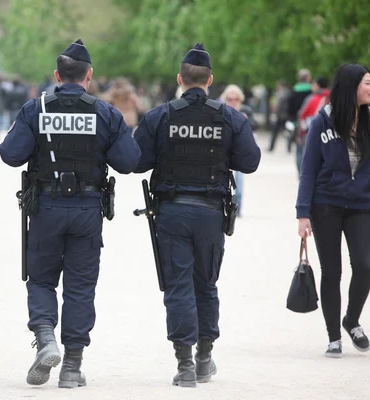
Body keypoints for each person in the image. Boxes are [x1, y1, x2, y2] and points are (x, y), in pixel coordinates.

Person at [0, 39, 141, 389]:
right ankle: (73, 366)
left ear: (57, 75)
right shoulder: (105, 113)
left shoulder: (37, 109)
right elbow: (129, 162)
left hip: (46, 207)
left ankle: (46, 338)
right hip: (87, 209)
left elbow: (10, 154)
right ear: (89, 76)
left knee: (42, 279)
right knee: (80, 286)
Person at [133, 43, 261, 388]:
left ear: (179, 79)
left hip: (172, 212)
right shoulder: (230, 117)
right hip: (209, 214)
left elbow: (136, 161)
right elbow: (250, 161)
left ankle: (184, 363)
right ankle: (204, 357)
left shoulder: (160, 116)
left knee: (177, 287)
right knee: (206, 285)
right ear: (210, 80)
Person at [296, 63, 370, 358]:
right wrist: (303, 213)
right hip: (325, 204)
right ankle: (333, 336)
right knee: (332, 271)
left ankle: (351, 320)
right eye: (367, 83)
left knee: (365, 264)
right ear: (352, 87)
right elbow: (309, 168)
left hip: (362, 204)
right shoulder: (322, 121)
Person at [220, 84, 259, 216]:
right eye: (229, 99)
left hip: (239, 150)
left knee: (239, 181)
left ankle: (237, 207)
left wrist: (245, 121)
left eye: (235, 99)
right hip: (224, 150)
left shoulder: (245, 110)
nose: (232, 102)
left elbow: (255, 124)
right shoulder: (221, 110)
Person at [295, 76, 330, 175]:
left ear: (318, 85)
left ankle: (303, 174)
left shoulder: (312, 98)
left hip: (310, 131)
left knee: (304, 154)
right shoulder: (333, 98)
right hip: (329, 133)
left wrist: (300, 134)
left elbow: (302, 115)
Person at [287, 69, 313, 153]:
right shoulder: (312, 91)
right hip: (310, 119)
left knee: (299, 142)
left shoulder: (294, 90)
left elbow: (290, 107)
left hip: (297, 119)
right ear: (307, 78)